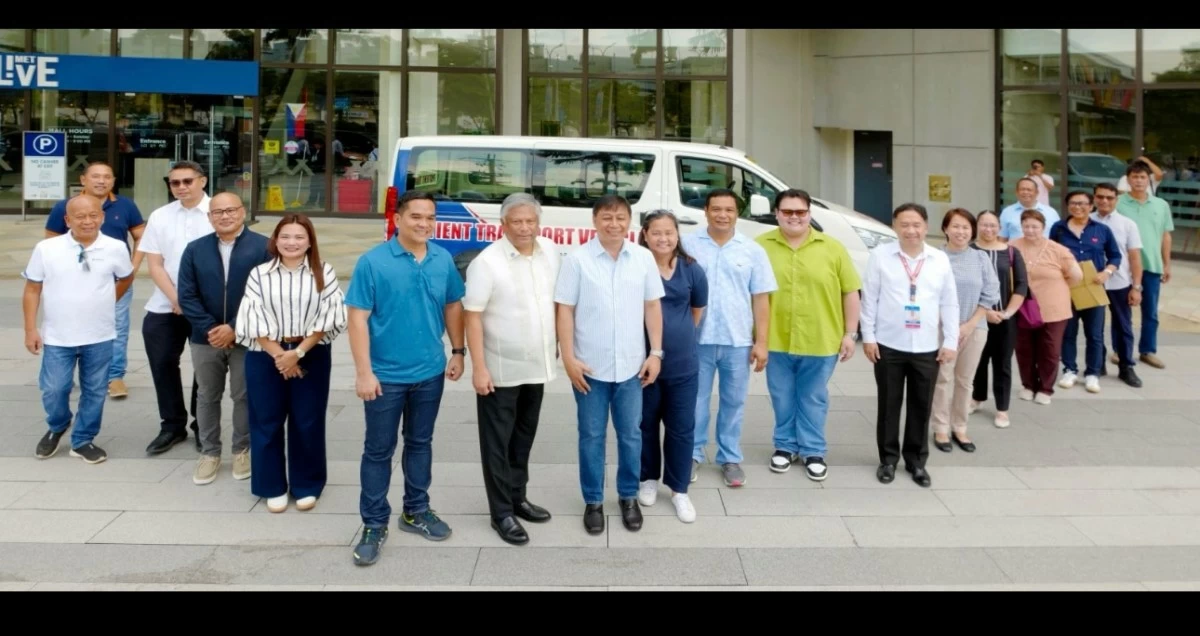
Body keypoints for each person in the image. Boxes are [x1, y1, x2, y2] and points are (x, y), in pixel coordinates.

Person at [346, 190, 466, 566]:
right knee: (378, 451)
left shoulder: (441, 258)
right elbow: (357, 319)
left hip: (430, 372)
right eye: (416, 216)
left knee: (420, 443)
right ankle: (373, 523)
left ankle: (415, 510)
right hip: (385, 377)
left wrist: (458, 352)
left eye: (430, 217)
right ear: (398, 219)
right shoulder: (374, 262)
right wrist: (364, 373)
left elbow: (453, 304)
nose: (424, 224)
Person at [555, 194, 664, 535]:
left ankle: (628, 496)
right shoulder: (577, 260)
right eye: (607, 217)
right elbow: (565, 310)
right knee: (590, 435)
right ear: (595, 221)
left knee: (632, 434)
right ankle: (593, 501)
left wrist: (656, 353)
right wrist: (568, 358)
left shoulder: (643, 258)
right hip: (590, 368)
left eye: (620, 218)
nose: (613, 224)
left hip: (632, 367)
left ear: (629, 222)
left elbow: (652, 308)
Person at [464, 193, 560, 545]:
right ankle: (501, 512)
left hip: (538, 365)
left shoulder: (549, 251)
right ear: (503, 225)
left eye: (529, 221)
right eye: (516, 221)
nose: (524, 227)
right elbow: (472, 316)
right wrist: (479, 367)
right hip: (500, 370)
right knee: (497, 443)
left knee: (523, 437)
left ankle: (518, 497)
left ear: (539, 223)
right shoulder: (487, 263)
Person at [236, 214, 347, 513]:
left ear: (310, 241)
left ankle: (306, 484)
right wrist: (280, 356)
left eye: (299, 237)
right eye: (285, 236)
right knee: (266, 420)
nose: (292, 243)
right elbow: (253, 317)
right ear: (275, 239)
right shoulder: (259, 274)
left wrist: (296, 354)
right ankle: (271, 486)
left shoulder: (324, 272)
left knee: (307, 420)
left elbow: (330, 316)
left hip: (311, 351)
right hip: (265, 354)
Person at [756, 189, 861, 481]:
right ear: (776, 213)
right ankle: (785, 447)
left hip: (821, 338)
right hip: (775, 338)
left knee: (813, 397)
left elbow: (850, 291)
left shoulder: (832, 248)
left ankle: (813, 450)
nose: (794, 217)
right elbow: (751, 294)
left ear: (809, 214)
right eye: (787, 211)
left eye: (800, 212)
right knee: (782, 396)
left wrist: (850, 334)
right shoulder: (759, 246)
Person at [25, 195, 134, 464]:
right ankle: (59, 424)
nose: (88, 221)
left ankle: (83, 439)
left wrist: (109, 299)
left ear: (102, 216)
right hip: (58, 336)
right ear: (67, 220)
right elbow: (32, 288)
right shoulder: (46, 248)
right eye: (80, 216)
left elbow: (126, 276)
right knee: (54, 388)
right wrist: (30, 329)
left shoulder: (116, 247)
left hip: (99, 335)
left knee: (95, 389)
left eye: (93, 215)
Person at [681, 188, 777, 488]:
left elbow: (761, 299)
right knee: (694, 402)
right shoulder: (687, 245)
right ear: (706, 212)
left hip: (737, 342)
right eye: (716, 209)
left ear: (738, 214)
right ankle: (691, 455)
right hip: (697, 340)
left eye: (729, 210)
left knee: (734, 401)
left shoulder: (752, 250)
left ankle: (730, 458)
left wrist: (762, 342)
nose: (723, 215)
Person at [861, 203, 958, 488]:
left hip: (928, 347)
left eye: (916, 224)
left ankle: (916, 461)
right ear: (895, 226)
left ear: (926, 227)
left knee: (921, 406)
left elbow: (949, 303)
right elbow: (870, 298)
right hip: (888, 344)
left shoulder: (939, 259)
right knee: (889, 405)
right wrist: (868, 336)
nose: (911, 230)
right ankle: (888, 460)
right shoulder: (880, 256)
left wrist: (950, 341)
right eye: (904, 224)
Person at [176, 192, 271, 485]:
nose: (225, 216)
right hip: (205, 339)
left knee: (244, 395)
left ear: (242, 212)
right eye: (218, 212)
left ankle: (242, 449)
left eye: (231, 210)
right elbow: (187, 296)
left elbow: (267, 293)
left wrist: (234, 327)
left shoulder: (264, 246)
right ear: (209, 217)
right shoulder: (195, 249)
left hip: (249, 337)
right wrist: (212, 329)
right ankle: (209, 452)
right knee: (207, 395)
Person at [44, 161, 145, 399]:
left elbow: (141, 236)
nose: (102, 181)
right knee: (69, 323)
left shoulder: (126, 205)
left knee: (117, 326)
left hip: (115, 280)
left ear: (113, 181)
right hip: (72, 281)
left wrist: (133, 265)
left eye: (107, 177)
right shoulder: (64, 207)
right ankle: (67, 374)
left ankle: (114, 376)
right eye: (96, 176)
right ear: (83, 180)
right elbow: (49, 242)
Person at [636, 209, 707, 523]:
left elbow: (696, 311)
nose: (663, 238)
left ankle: (679, 490)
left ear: (678, 236)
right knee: (645, 425)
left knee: (681, 428)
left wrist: (677, 337)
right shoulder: (635, 266)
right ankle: (648, 478)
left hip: (683, 365)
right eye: (656, 233)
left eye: (669, 232)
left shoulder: (692, 270)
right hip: (643, 364)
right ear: (645, 235)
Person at [138, 160, 212, 454]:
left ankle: (201, 425)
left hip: (207, 307)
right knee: (162, 362)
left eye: (187, 181)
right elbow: (154, 264)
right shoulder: (160, 215)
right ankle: (171, 425)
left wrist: (192, 304)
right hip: (164, 304)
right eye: (174, 182)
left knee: (205, 368)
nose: (181, 187)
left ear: (202, 181)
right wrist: (177, 299)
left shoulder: (218, 212)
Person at [930, 209, 999, 454]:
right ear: (945, 229)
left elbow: (991, 293)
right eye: (956, 226)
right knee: (942, 378)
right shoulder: (935, 257)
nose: (961, 232)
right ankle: (940, 426)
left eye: (966, 227)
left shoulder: (980, 259)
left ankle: (960, 426)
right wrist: (950, 327)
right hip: (940, 329)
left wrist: (969, 325)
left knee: (965, 380)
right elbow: (928, 295)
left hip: (975, 328)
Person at [1050, 191, 1122, 395]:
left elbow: (1115, 256)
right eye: (1073, 203)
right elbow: (1052, 254)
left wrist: (1107, 272)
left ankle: (1092, 373)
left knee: (1095, 334)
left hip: (1094, 288)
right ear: (1067, 206)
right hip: (1067, 289)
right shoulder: (1059, 229)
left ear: (1091, 206)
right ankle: (1070, 370)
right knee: (1068, 332)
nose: (1077, 207)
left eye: (1082, 203)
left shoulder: (1102, 230)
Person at [1010, 210, 1083, 406]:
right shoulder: (1012, 247)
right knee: (1024, 349)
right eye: (1026, 226)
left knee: (1049, 350)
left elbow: (1076, 276)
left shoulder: (1057, 249)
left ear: (1043, 228)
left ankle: (1045, 388)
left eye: (1035, 227)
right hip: (1022, 308)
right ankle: (1028, 385)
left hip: (1053, 308)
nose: (1030, 230)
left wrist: (1058, 287)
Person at [970, 210, 1028, 428]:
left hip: (1005, 318)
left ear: (999, 227)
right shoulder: (970, 251)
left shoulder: (1012, 253)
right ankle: (977, 398)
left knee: (1002, 363)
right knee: (978, 360)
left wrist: (1007, 313)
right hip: (975, 316)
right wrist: (985, 312)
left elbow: (1022, 284)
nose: (988, 229)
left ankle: (1002, 409)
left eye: (992, 225)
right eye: (984, 224)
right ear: (977, 226)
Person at [1116, 162, 1174, 370]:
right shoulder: (1118, 203)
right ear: (1128, 179)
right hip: (1123, 266)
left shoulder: (1161, 205)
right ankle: (1120, 350)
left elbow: (1165, 236)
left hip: (1152, 265)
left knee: (1150, 312)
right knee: (1122, 312)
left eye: (1142, 177)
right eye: (1135, 177)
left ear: (1148, 180)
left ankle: (1147, 350)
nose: (1139, 181)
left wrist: (1167, 264)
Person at [1091, 183, 1144, 387]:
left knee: (1123, 327)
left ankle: (1126, 367)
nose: (1104, 201)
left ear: (1116, 199)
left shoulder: (1127, 224)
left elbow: (1135, 258)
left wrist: (1136, 287)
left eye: (1109, 198)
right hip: (1092, 283)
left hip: (1120, 283)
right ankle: (1097, 364)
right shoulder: (1085, 221)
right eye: (1100, 197)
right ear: (1094, 198)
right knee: (1093, 327)